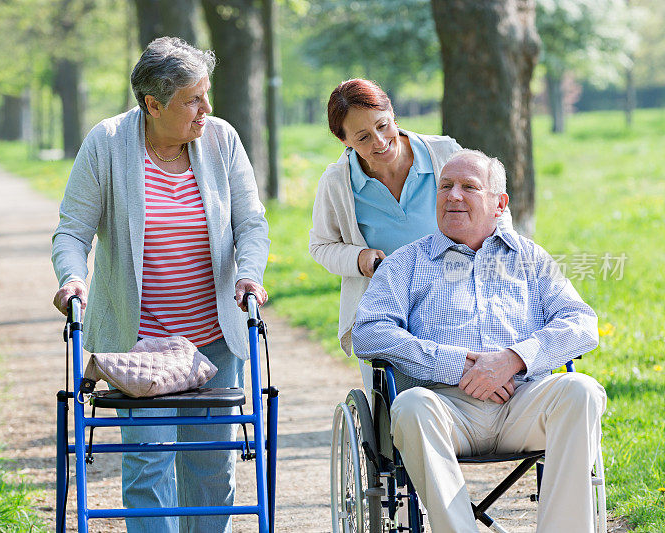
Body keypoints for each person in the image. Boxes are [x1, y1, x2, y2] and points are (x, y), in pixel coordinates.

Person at [51, 37, 270, 533]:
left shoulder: (220, 139)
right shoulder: (107, 144)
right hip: (139, 343)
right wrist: (71, 279)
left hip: (214, 340)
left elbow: (251, 224)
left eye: (206, 95)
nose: (206, 110)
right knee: (148, 466)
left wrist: (249, 274)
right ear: (153, 104)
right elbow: (72, 231)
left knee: (212, 467)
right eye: (193, 99)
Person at [352, 149, 606, 532]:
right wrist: (457, 364)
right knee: (411, 406)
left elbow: (582, 323)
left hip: (521, 403)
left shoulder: (530, 260)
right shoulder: (406, 264)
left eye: (469, 187)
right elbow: (369, 331)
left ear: (499, 203)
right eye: (445, 187)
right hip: (446, 409)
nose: (453, 196)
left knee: (581, 391)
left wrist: (512, 359)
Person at [309, 78, 510, 396]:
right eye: (363, 137)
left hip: (458, 296)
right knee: (401, 404)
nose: (379, 142)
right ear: (344, 141)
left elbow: (493, 207)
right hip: (389, 308)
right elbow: (321, 245)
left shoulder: (443, 152)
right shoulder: (337, 183)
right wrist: (358, 258)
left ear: (392, 112)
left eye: (382, 125)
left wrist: (497, 253)